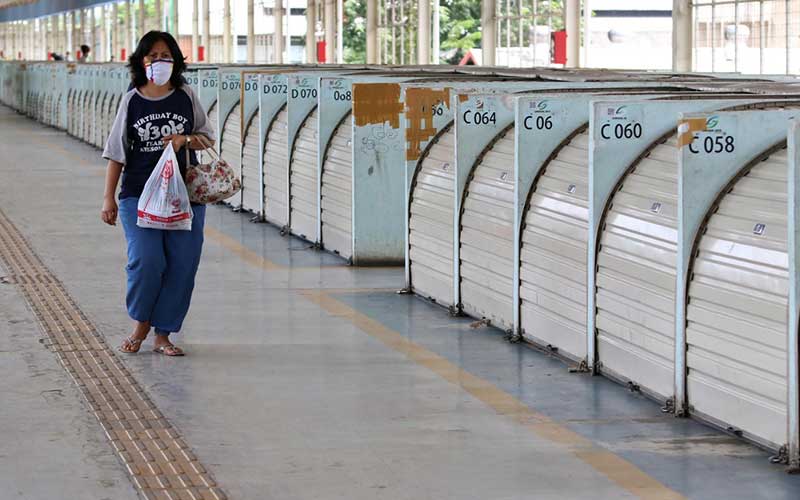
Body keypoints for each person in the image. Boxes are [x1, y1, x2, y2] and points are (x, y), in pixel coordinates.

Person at [101, 31, 214, 357]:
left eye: (166, 56)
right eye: (153, 56)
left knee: (182, 264)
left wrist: (184, 140)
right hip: (139, 194)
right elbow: (117, 152)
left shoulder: (186, 95)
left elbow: (207, 138)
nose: (159, 62)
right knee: (146, 261)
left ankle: (163, 334)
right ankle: (140, 324)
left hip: (185, 197)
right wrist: (108, 197)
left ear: (176, 61)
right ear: (141, 60)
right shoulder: (132, 100)